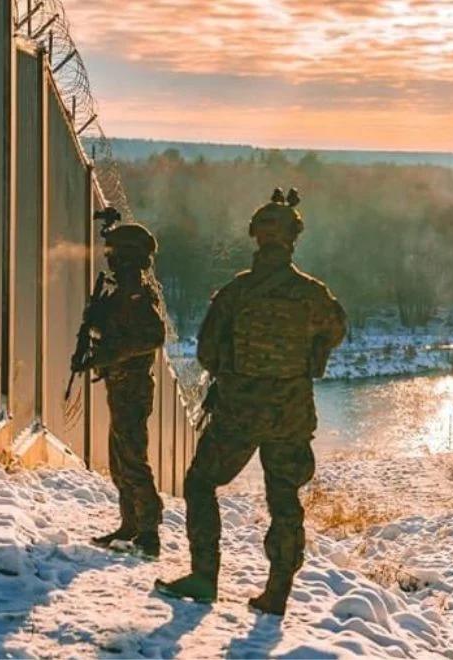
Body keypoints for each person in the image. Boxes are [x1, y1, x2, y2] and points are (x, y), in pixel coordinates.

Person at [157, 188, 347, 615]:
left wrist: (236, 371)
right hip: (291, 414)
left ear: (256, 237)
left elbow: (207, 350)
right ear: (293, 239)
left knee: (201, 483)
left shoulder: (236, 293)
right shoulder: (313, 294)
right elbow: (335, 331)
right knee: (284, 498)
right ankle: (277, 590)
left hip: (238, 412)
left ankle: (204, 576)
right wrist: (304, 358)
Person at [72, 222, 166, 559]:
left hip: (133, 386)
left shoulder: (134, 291)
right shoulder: (123, 290)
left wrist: (105, 354)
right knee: (119, 458)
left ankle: (149, 531)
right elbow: (118, 329)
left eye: (113, 252)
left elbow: (153, 336)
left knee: (132, 459)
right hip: (122, 384)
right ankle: (130, 525)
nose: (108, 258)